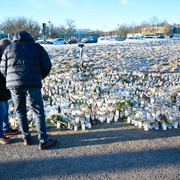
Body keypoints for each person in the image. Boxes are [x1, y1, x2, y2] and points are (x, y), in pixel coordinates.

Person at [0, 31, 57, 149]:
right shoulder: (37, 47)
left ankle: (26, 137)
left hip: (15, 86)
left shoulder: (9, 48)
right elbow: (47, 65)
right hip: (33, 84)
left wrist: (11, 79)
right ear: (30, 38)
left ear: (15, 38)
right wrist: (38, 77)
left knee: (20, 112)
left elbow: (3, 68)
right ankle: (43, 140)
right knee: (38, 111)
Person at [0, 38, 19, 145]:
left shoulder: (4, 55)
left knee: (6, 108)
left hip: (4, 87)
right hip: (1, 87)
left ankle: (6, 128)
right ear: (4, 48)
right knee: (1, 111)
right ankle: (0, 134)